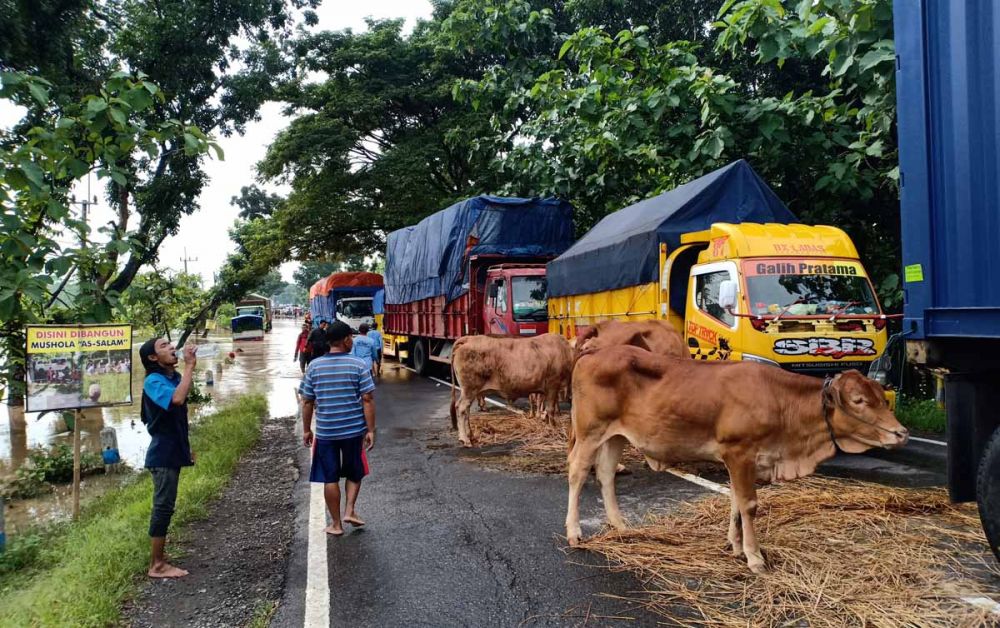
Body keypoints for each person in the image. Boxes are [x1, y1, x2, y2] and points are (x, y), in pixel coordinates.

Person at [300, 321, 376, 536]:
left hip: (325, 432)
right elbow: (367, 399)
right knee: (354, 471)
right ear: (345, 340)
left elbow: (306, 401)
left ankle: (336, 524)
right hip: (353, 431)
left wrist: (306, 429)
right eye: (350, 338)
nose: (352, 341)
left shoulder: (314, 367)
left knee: (329, 477)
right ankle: (350, 510)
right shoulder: (358, 365)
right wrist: (371, 430)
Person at [139, 337, 197, 579]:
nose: (172, 347)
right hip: (162, 455)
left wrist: (186, 449)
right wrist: (189, 366)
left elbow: (178, 417)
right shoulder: (153, 381)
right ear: (153, 358)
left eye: (170, 344)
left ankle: (159, 559)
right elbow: (177, 399)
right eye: (163, 346)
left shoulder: (171, 378)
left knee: (167, 505)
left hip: (173, 451)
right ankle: (157, 564)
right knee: (163, 507)